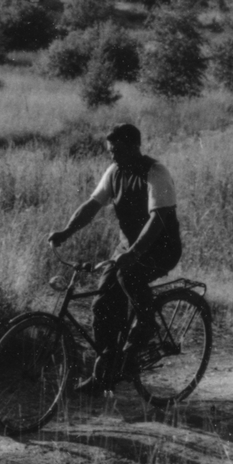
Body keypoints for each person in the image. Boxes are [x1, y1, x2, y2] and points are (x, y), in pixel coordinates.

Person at [48, 123, 182, 395]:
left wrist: (134, 253)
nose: (113, 156)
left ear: (135, 147)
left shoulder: (156, 173)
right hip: (128, 248)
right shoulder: (114, 172)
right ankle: (107, 370)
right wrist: (66, 231)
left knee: (128, 276)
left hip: (161, 249)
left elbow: (158, 219)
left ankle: (145, 328)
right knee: (102, 304)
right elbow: (92, 206)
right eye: (110, 151)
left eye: (118, 151)